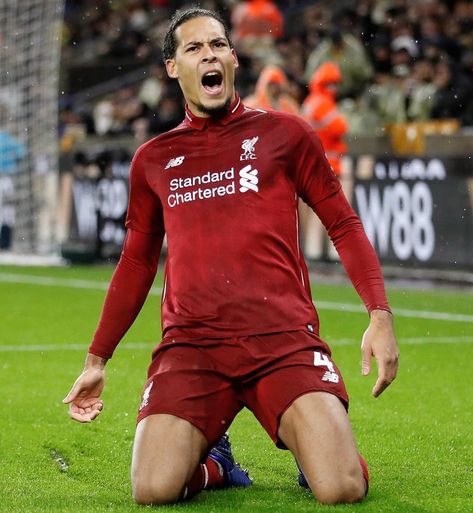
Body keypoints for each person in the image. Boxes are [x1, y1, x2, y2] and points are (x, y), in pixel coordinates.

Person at [64, 7, 399, 506]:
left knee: (341, 488)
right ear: (173, 67)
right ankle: (217, 464)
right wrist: (98, 358)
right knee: (152, 489)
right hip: (192, 346)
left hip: (282, 341)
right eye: (194, 48)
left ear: (233, 58)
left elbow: (343, 224)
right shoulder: (153, 160)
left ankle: (321, 455)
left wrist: (380, 313)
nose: (209, 55)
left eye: (218, 44)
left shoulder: (287, 135)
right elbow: (136, 263)